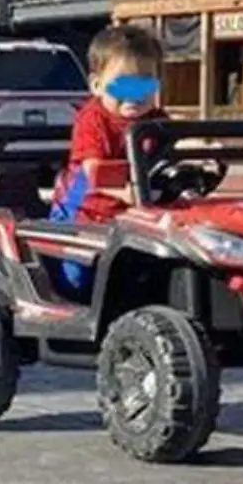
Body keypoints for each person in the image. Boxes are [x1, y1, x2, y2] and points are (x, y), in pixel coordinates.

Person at [45, 23, 167, 298]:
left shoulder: (156, 122)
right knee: (77, 278)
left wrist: (204, 149)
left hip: (136, 212)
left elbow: (176, 147)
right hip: (83, 207)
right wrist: (128, 193)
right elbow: (92, 173)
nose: (135, 93)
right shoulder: (92, 121)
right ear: (97, 85)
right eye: (124, 83)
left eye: (145, 82)